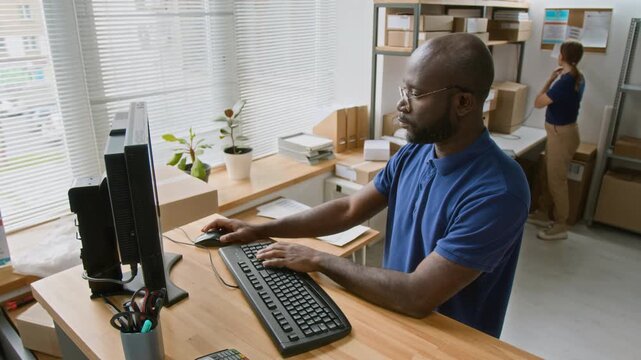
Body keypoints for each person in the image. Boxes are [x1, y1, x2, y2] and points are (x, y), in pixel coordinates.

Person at [203, 33, 530, 338]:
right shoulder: (414, 153)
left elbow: (418, 294)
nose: (402, 105)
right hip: (395, 318)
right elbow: (349, 208)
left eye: (415, 94)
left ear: (463, 103)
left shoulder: (498, 191)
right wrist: (257, 230)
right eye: (405, 90)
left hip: (444, 344)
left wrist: (319, 259)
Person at [529, 40, 585, 240]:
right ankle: (544, 213)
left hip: (561, 136)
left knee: (557, 180)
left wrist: (550, 79)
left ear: (563, 56)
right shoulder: (578, 77)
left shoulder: (565, 82)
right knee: (547, 172)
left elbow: (537, 102)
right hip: (561, 134)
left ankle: (561, 225)